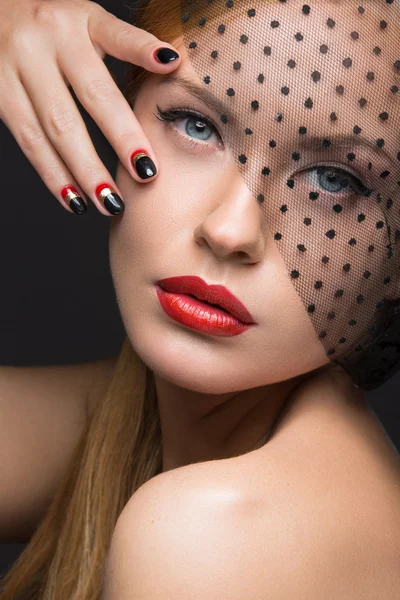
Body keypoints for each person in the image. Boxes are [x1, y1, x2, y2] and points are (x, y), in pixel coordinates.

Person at [0, 0, 399, 598]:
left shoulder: (214, 536)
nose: (231, 230)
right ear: (120, 105)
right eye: (197, 125)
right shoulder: (136, 421)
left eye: (336, 181)